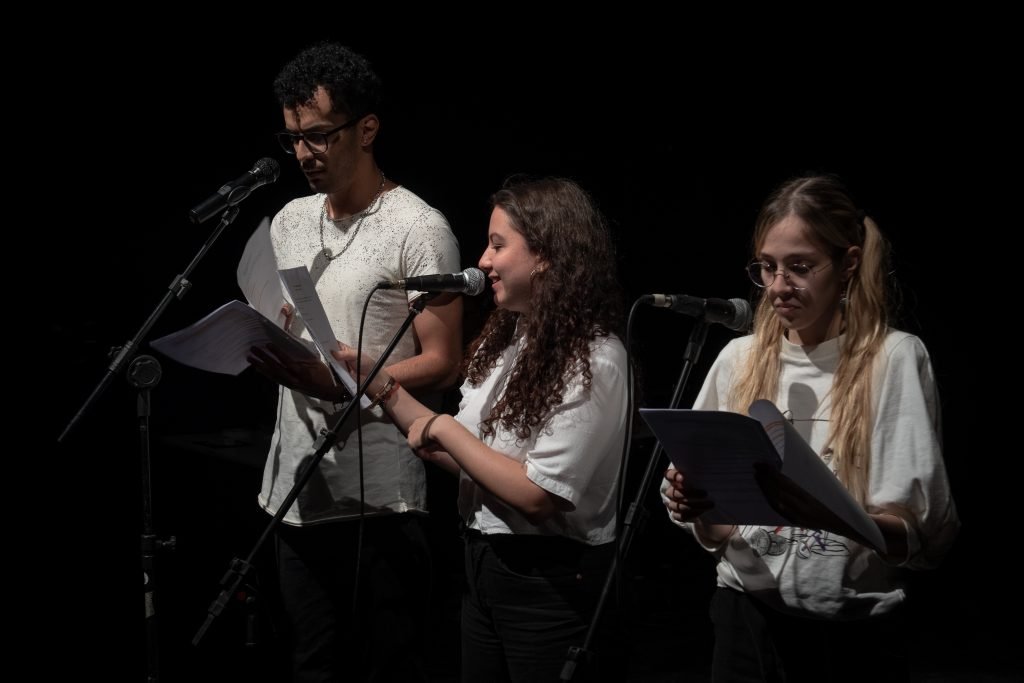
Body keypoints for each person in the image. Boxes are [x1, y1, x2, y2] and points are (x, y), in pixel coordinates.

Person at [661, 173, 959, 682]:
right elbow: (716, 530)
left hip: (850, 634)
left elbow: (920, 541)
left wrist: (829, 513)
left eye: (800, 267)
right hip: (745, 615)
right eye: (767, 268)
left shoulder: (892, 359)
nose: (778, 286)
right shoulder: (740, 358)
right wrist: (696, 504)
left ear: (846, 265)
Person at [332, 176, 629, 682]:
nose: (483, 261)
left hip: (549, 579)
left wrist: (445, 431)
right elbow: (467, 457)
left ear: (547, 255)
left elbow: (537, 495)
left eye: (498, 245)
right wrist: (380, 385)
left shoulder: (595, 358)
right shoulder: (510, 343)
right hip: (483, 562)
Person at [246, 42, 463, 682]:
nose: (304, 154)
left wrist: (345, 383)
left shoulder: (418, 227)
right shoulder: (289, 220)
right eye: (293, 139)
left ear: (366, 129)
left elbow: (444, 362)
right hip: (294, 486)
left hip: (380, 498)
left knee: (384, 663)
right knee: (312, 663)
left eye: (319, 136)